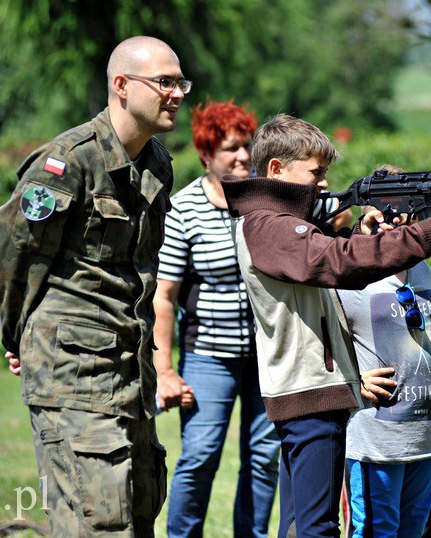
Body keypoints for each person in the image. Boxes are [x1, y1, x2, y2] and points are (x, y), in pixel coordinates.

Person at [219, 114, 431, 537]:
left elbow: (324, 261)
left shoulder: (281, 226)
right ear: (276, 170)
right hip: (309, 395)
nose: (324, 183)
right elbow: (334, 262)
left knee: (306, 523)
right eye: (315, 172)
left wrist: (361, 232)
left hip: (318, 392)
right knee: (318, 528)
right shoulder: (266, 226)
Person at [0, 36, 189, 536]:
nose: (178, 93)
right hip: (73, 375)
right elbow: (9, 258)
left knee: (138, 514)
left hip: (129, 373)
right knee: (96, 525)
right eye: (165, 82)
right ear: (121, 86)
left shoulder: (156, 162)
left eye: (181, 82)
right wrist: (23, 338)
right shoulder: (65, 163)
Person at [153, 99, 280, 537]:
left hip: (268, 356)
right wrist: (164, 370)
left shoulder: (266, 200)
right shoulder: (183, 209)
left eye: (246, 146)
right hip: (207, 356)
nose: (243, 156)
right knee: (200, 455)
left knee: (265, 458)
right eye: (231, 148)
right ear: (207, 155)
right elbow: (164, 297)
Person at [339, 164, 431, 538]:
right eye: (394, 205)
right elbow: (321, 335)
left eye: (410, 206)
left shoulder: (421, 268)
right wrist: (353, 377)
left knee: (414, 529)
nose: (402, 216)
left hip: (424, 433)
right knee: (376, 530)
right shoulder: (352, 269)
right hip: (375, 440)